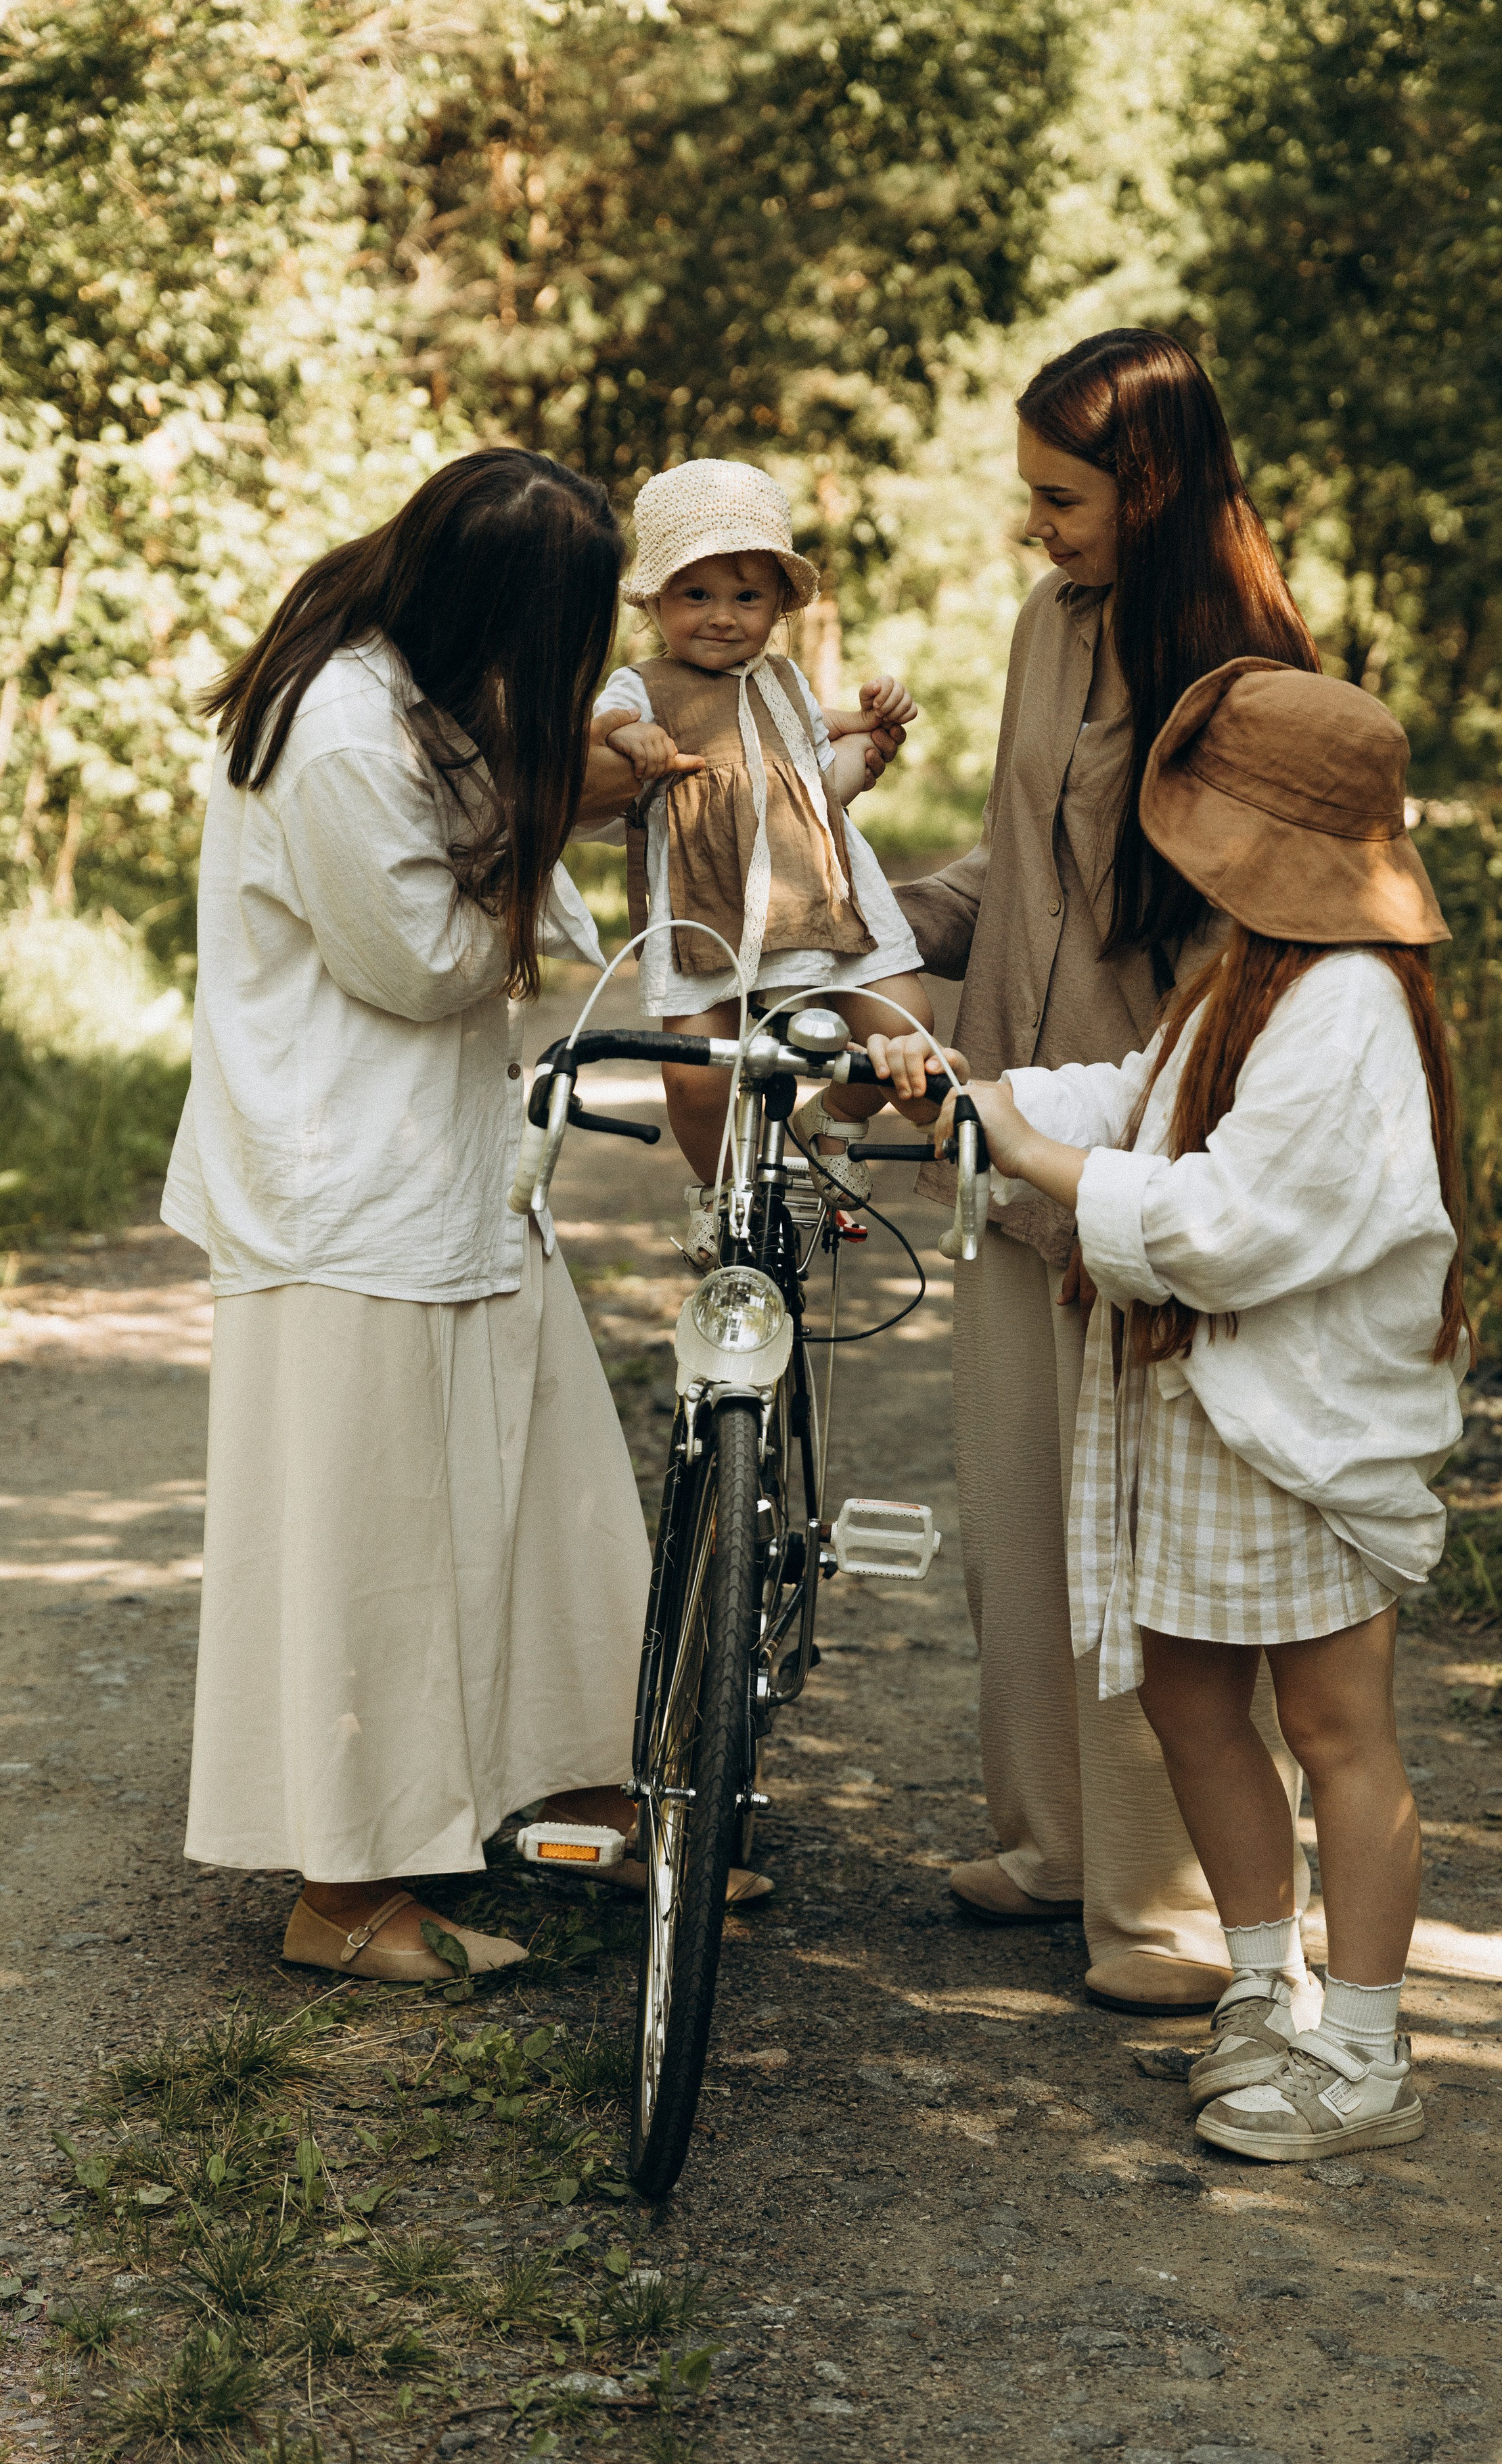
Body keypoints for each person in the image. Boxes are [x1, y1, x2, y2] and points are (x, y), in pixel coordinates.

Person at [163, 448, 738, 1986]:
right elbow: (419, 961)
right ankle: (345, 1889)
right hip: (344, 1180)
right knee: (374, 1533)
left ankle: (582, 1787)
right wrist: (567, 797)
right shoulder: (342, 724)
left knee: (545, 1477)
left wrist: (560, 779)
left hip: (449, 1165)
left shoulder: (413, 675)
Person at [917, 658, 1467, 2158]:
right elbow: (1142, 1097)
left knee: (1337, 1724)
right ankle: (1257, 1985)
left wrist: (1033, 1163)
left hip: (1299, 1423)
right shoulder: (1251, 962)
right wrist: (988, 1096)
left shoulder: (1346, 1004)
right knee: (1184, 1697)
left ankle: (1361, 2054)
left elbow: (1230, 1223)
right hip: (1203, 1404)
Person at [892, 328, 1323, 2015]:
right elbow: (1015, 864)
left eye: (1059, 500)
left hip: (1146, 1161)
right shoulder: (1040, 628)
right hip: (1013, 1129)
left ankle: (1162, 1903)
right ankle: (1056, 1842)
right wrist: (849, 908)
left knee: (1144, 1535)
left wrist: (1145, 1168)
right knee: (1015, 1508)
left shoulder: (1243, 674)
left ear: (1148, 485)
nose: (1034, 529)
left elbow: (1254, 943)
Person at [589, 457, 931, 1205]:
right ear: (652, 602)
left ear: (779, 604)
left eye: (747, 596)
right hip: (704, 906)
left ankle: (833, 1124)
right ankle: (725, 1194)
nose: (722, 615)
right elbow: (597, 738)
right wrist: (628, 739)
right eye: (696, 594)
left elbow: (820, 778)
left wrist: (876, 719)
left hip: (814, 892)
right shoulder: (641, 687)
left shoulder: (786, 683)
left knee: (903, 1022)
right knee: (693, 1072)